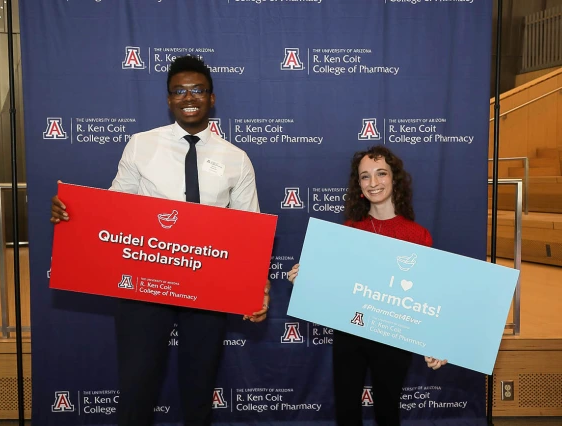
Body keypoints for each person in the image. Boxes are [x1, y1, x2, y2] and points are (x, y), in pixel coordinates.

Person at [50, 55, 270, 426]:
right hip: (143, 283)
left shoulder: (237, 159)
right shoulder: (141, 145)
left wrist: (255, 288)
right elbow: (114, 207)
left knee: (199, 392)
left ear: (212, 98)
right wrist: (72, 214)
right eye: (179, 91)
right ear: (168, 100)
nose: (189, 97)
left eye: (198, 90)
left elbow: (249, 229)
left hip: (208, 286)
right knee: (137, 389)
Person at [287, 145, 446, 426]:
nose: (373, 183)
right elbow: (336, 285)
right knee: (346, 413)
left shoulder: (418, 236)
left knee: (388, 413)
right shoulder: (349, 230)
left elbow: (424, 296)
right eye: (365, 176)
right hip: (351, 333)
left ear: (394, 178)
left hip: (394, 337)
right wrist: (307, 277)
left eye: (381, 173)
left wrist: (434, 342)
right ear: (358, 184)